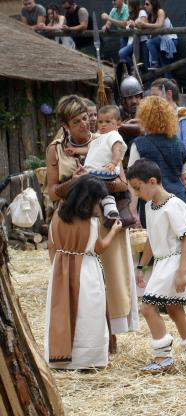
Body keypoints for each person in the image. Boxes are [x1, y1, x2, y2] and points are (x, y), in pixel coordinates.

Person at [47, 96, 140, 344]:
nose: (85, 125)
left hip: (104, 217)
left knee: (109, 279)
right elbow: (52, 191)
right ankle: (81, 341)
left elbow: (123, 183)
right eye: (77, 121)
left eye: (87, 119)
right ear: (65, 125)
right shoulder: (55, 149)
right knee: (78, 281)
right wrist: (74, 182)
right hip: (72, 224)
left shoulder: (105, 140)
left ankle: (109, 341)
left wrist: (97, 179)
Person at [128, 159, 186, 375]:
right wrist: (142, 268)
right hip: (163, 264)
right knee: (174, 309)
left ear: (152, 181)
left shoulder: (175, 205)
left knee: (147, 307)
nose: (136, 193)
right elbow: (151, 241)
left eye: (137, 187)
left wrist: (181, 272)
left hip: (175, 262)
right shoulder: (149, 206)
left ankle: (163, 358)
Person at [44, 178, 123, 370]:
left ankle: (62, 357)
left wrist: (58, 269)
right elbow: (100, 248)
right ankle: (87, 359)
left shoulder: (56, 216)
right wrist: (114, 230)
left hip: (60, 269)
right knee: (87, 314)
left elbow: (51, 246)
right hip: (86, 270)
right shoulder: (91, 223)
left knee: (62, 311)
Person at [149, 78, 186, 295]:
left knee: (183, 230)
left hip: (181, 179)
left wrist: (170, 158)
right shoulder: (156, 120)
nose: (151, 100)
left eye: (155, 94)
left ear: (168, 94)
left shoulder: (185, 118)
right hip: (158, 180)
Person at [129, 96, 186, 216]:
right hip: (178, 200)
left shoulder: (139, 144)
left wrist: (133, 210)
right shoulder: (179, 144)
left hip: (152, 203)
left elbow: (132, 181)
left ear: (144, 117)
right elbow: (185, 179)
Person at [66, 105, 125, 222]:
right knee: (96, 189)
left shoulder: (114, 135)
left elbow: (117, 150)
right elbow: (91, 149)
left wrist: (113, 163)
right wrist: (76, 150)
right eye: (100, 122)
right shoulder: (99, 138)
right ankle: (108, 206)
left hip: (105, 171)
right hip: (95, 171)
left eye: (108, 121)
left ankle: (104, 206)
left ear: (118, 124)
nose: (103, 124)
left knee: (87, 184)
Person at [139, 0, 178, 76]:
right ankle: (168, 84)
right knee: (165, 67)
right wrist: (137, 25)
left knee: (150, 42)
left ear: (153, 4)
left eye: (147, 4)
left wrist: (145, 25)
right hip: (162, 41)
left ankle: (155, 63)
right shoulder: (151, 15)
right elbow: (148, 28)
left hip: (171, 40)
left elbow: (159, 25)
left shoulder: (160, 11)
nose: (145, 6)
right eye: (144, 4)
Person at [119, 1, 150, 71]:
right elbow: (125, 25)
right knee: (122, 54)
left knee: (146, 64)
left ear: (133, 4)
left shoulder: (142, 12)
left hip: (143, 41)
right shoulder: (131, 14)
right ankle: (133, 69)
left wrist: (134, 24)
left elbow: (144, 24)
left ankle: (147, 80)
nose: (127, 6)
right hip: (133, 42)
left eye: (128, 4)